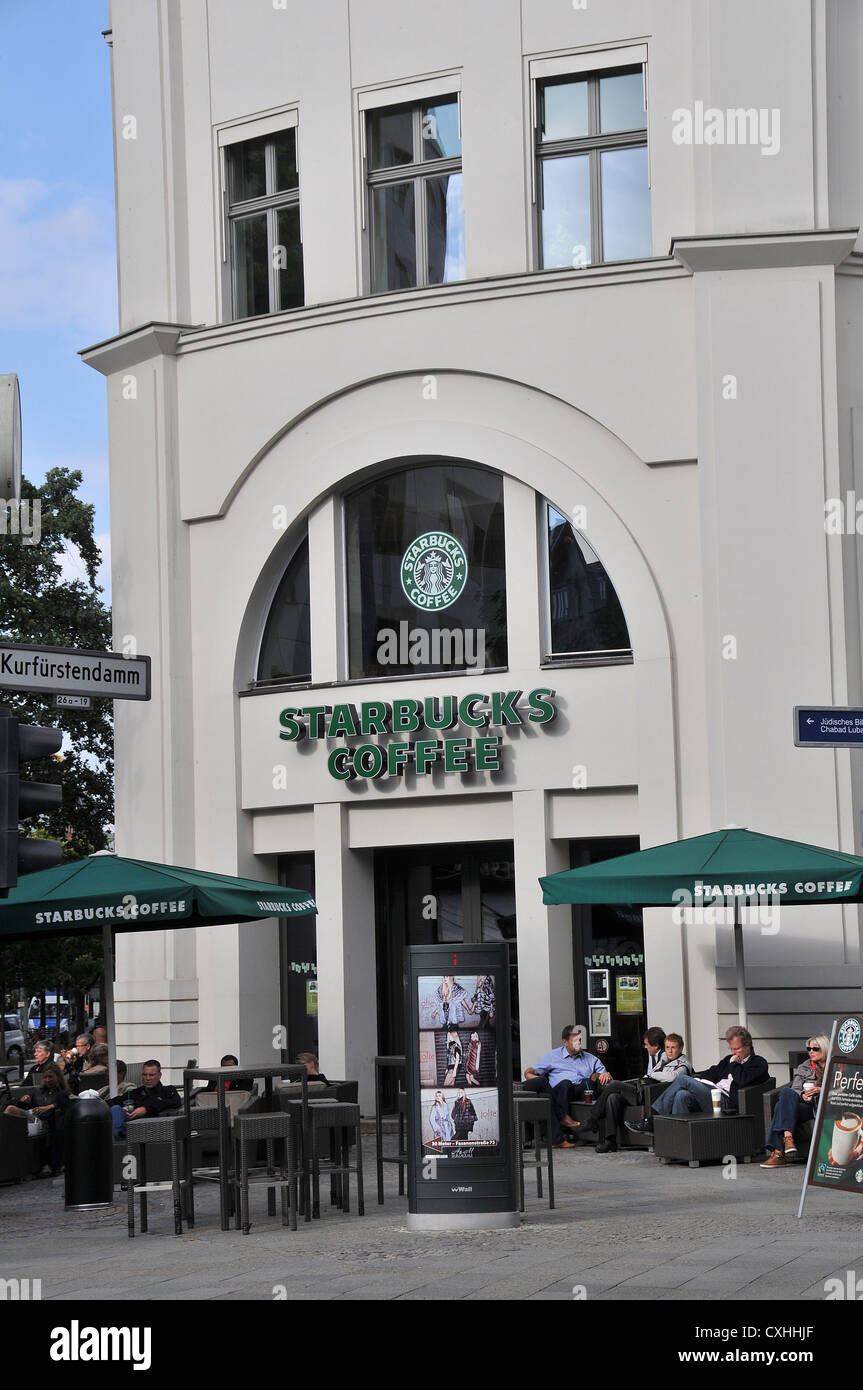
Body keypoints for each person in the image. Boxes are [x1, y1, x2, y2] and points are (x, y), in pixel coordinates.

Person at [626, 1025, 768, 1132]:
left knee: (682, 1079)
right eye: (731, 1048)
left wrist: (735, 1065)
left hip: (727, 1103)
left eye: (736, 1049)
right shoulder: (728, 1060)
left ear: (748, 1046)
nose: (733, 1052)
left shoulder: (758, 1063)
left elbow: (743, 1080)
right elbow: (712, 1072)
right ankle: (678, 1138)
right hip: (711, 1093)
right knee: (682, 1095)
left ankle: (651, 1120)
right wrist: (696, 1079)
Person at [574, 1028, 693, 1152]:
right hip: (643, 1090)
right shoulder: (664, 1060)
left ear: (680, 1049)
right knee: (612, 1097)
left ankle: (593, 1119)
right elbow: (652, 1074)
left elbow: (670, 1077)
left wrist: (652, 1075)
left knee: (614, 1084)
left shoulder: (683, 1064)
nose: (669, 1050)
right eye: (667, 1047)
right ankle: (611, 1140)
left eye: (673, 1048)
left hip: (651, 1095)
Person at [529, 1025, 610, 1148]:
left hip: (580, 1090)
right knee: (566, 1084)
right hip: (560, 1091)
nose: (579, 1043)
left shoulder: (589, 1057)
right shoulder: (553, 1056)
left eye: (580, 1040)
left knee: (588, 1082)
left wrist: (604, 1074)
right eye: (575, 1040)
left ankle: (588, 1130)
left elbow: (603, 1072)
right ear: (565, 1042)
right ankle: (563, 1128)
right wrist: (539, 1081)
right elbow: (529, 1072)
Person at [760, 1034, 829, 1167]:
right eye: (809, 1049)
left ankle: (779, 1152)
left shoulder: (836, 1065)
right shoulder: (805, 1066)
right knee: (786, 1092)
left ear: (824, 1048)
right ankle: (788, 1137)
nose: (811, 1052)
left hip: (820, 1105)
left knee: (780, 1106)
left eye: (815, 1049)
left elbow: (841, 1088)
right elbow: (796, 1088)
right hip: (804, 1105)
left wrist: (821, 1090)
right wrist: (803, 1095)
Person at [4, 1061, 71, 1176]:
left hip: (48, 1122)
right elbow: (23, 1106)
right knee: (10, 1109)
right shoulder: (37, 1091)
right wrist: (22, 1101)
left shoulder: (64, 1093)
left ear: (58, 1077)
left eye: (51, 1077)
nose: (48, 1080)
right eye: (45, 1077)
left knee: (11, 1109)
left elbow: (66, 1104)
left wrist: (48, 1107)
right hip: (34, 1118)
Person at [109, 1059, 181, 1140]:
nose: (147, 1078)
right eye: (144, 1075)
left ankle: (117, 1144)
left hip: (156, 1129)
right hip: (131, 1129)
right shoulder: (136, 1092)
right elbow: (114, 1101)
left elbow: (175, 1102)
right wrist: (124, 1109)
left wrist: (146, 1109)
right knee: (115, 1109)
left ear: (159, 1075)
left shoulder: (168, 1090)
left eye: (151, 1075)